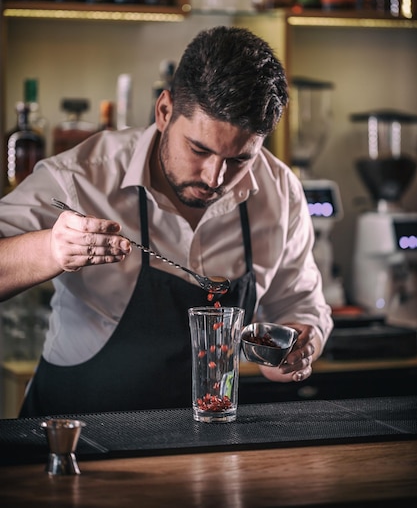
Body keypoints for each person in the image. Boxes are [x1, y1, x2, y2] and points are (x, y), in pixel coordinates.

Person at [0, 26, 333, 416]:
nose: (215, 178)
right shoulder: (80, 178)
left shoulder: (279, 191)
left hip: (205, 444)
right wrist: (51, 249)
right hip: (76, 435)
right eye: (199, 149)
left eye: (240, 160)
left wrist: (296, 346)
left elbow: (300, 304)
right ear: (164, 112)